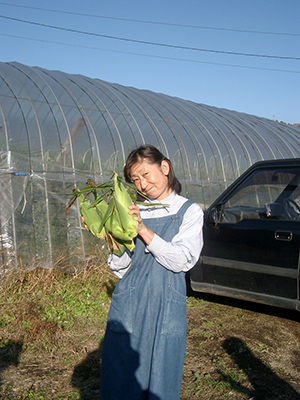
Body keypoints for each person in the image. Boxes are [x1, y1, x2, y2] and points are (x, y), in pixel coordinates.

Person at [99, 145, 204, 400]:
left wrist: (143, 230)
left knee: (161, 380)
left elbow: (181, 261)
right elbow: (124, 269)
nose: (142, 185)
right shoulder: (134, 210)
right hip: (130, 306)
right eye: (135, 180)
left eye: (146, 174)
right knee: (122, 379)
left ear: (165, 167)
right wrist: (114, 247)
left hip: (165, 306)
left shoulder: (188, 211)